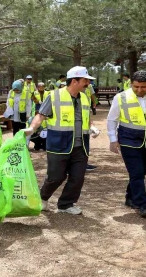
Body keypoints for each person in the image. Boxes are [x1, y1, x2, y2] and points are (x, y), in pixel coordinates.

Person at [24, 66, 100, 215]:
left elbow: (86, 118)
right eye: (85, 80)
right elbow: (40, 115)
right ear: (74, 81)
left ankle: (66, 204)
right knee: (55, 177)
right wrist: (31, 129)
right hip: (58, 145)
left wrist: (92, 127)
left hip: (81, 146)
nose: (88, 83)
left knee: (77, 177)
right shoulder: (54, 96)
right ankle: (43, 198)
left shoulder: (84, 97)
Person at [107, 70, 146, 217]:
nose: (139, 90)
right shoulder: (121, 97)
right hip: (128, 139)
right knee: (136, 172)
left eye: (143, 87)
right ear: (131, 84)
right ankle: (142, 204)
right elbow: (112, 120)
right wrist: (112, 139)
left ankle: (130, 197)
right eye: (136, 87)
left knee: (141, 172)